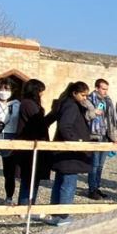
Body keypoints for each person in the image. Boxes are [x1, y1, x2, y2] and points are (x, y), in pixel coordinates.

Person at [47, 81, 92, 222]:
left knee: (60, 182)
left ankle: (55, 214)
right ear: (74, 93)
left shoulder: (64, 104)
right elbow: (65, 127)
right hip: (70, 153)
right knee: (68, 184)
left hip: (63, 152)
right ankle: (63, 215)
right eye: (83, 95)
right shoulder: (71, 106)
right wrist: (75, 141)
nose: (85, 98)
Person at [12, 79, 49, 205]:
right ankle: (25, 205)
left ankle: (29, 204)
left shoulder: (31, 104)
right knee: (29, 177)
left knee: (33, 178)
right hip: (29, 146)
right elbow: (39, 123)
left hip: (34, 144)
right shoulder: (28, 104)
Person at [84, 77, 117, 199]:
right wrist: (95, 112)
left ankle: (97, 187)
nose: (105, 91)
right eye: (103, 89)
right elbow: (86, 116)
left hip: (106, 136)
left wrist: (114, 137)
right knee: (94, 164)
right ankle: (91, 189)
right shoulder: (89, 100)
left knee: (100, 165)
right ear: (97, 88)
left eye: (106, 89)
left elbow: (112, 120)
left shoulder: (108, 101)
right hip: (95, 136)